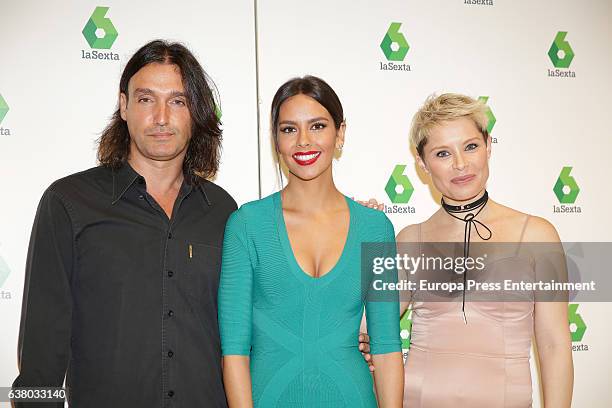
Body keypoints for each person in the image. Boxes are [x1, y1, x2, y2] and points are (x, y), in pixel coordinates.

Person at [12, 40, 236, 407]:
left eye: (177, 101)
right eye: (147, 99)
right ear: (124, 106)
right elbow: (41, 357)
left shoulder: (224, 211)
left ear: (196, 112)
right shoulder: (69, 203)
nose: (161, 117)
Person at [370, 93, 573, 407]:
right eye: (442, 153)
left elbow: (554, 345)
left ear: (489, 146)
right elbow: (369, 330)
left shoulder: (537, 234)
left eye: (470, 146)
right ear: (422, 163)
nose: (460, 164)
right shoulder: (409, 239)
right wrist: (354, 233)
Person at [218, 75, 404, 407]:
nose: (304, 141)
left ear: (340, 133)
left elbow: (387, 347)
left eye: (317, 126)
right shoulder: (246, 225)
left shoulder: (376, 229)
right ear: (275, 139)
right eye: (289, 129)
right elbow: (234, 351)